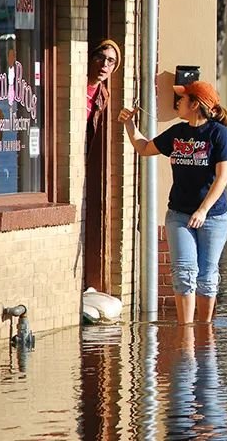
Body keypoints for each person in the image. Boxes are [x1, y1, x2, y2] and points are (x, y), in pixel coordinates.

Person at [118, 81, 227, 324]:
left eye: (182, 99)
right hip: (179, 215)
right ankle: (186, 334)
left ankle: (205, 331)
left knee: (206, 276)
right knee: (184, 273)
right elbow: (143, 147)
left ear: (195, 104)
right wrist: (129, 124)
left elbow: (223, 176)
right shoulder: (177, 133)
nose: (177, 103)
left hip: (213, 216)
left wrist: (203, 210)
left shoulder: (219, 134)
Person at [85, 39, 121, 293]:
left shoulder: (102, 95)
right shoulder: (77, 85)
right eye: (101, 57)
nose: (104, 65)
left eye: (111, 61)